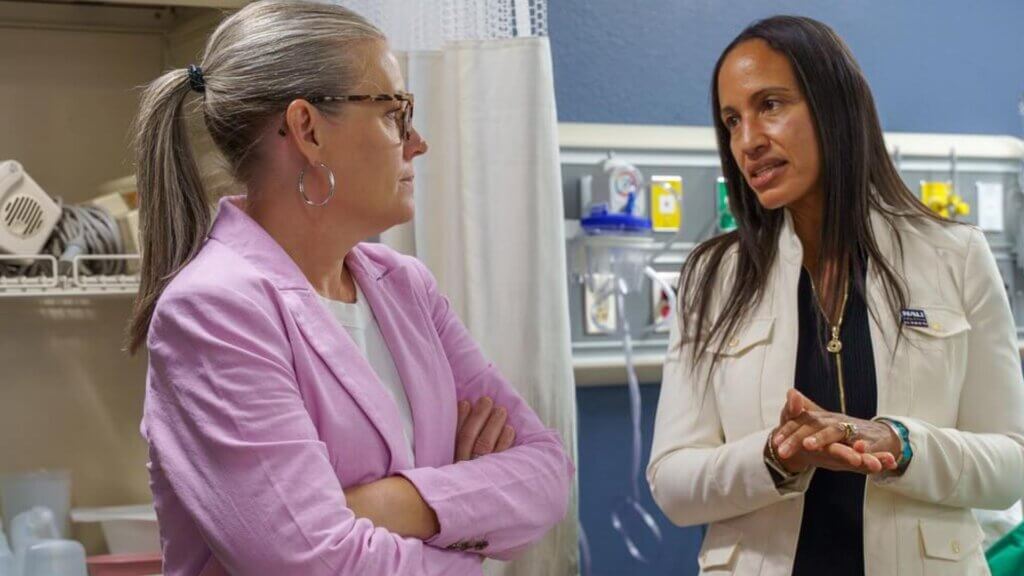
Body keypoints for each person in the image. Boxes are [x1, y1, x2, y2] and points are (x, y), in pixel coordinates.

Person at [126, 2, 573, 574]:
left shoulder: (405, 287)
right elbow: (312, 562)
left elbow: (545, 472)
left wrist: (388, 504)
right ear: (308, 129)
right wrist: (467, 524)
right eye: (395, 113)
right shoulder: (213, 309)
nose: (418, 143)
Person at [647, 15, 1024, 576]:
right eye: (732, 120)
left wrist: (898, 443)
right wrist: (774, 456)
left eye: (770, 105)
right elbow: (673, 482)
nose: (748, 140)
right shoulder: (714, 278)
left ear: (836, 106)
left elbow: (1012, 463)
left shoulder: (955, 257)